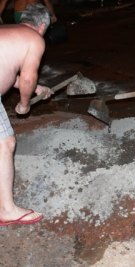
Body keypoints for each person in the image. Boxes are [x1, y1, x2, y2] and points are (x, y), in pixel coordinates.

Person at [0, 3, 52, 226]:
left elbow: (7, 70)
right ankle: (7, 210)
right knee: (5, 144)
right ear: (41, 25)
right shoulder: (35, 39)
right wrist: (24, 104)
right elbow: (27, 79)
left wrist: (38, 88)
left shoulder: (7, 32)